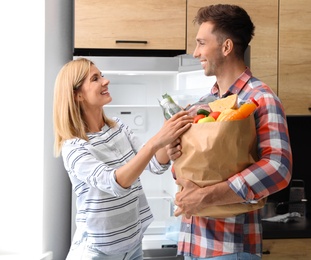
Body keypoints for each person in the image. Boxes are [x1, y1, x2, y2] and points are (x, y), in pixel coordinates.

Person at [166, 4, 293, 259]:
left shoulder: (261, 98)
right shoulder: (204, 103)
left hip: (230, 248)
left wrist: (206, 196)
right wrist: (176, 154)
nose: (195, 52)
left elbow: (278, 168)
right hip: (193, 244)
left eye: (202, 43)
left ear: (226, 47)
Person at [53, 57, 193, 259]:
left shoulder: (117, 128)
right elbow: (116, 183)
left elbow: (155, 163)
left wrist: (169, 126)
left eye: (102, 75)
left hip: (133, 246)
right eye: (95, 79)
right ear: (78, 96)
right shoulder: (74, 146)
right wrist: (157, 140)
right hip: (97, 252)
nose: (105, 81)